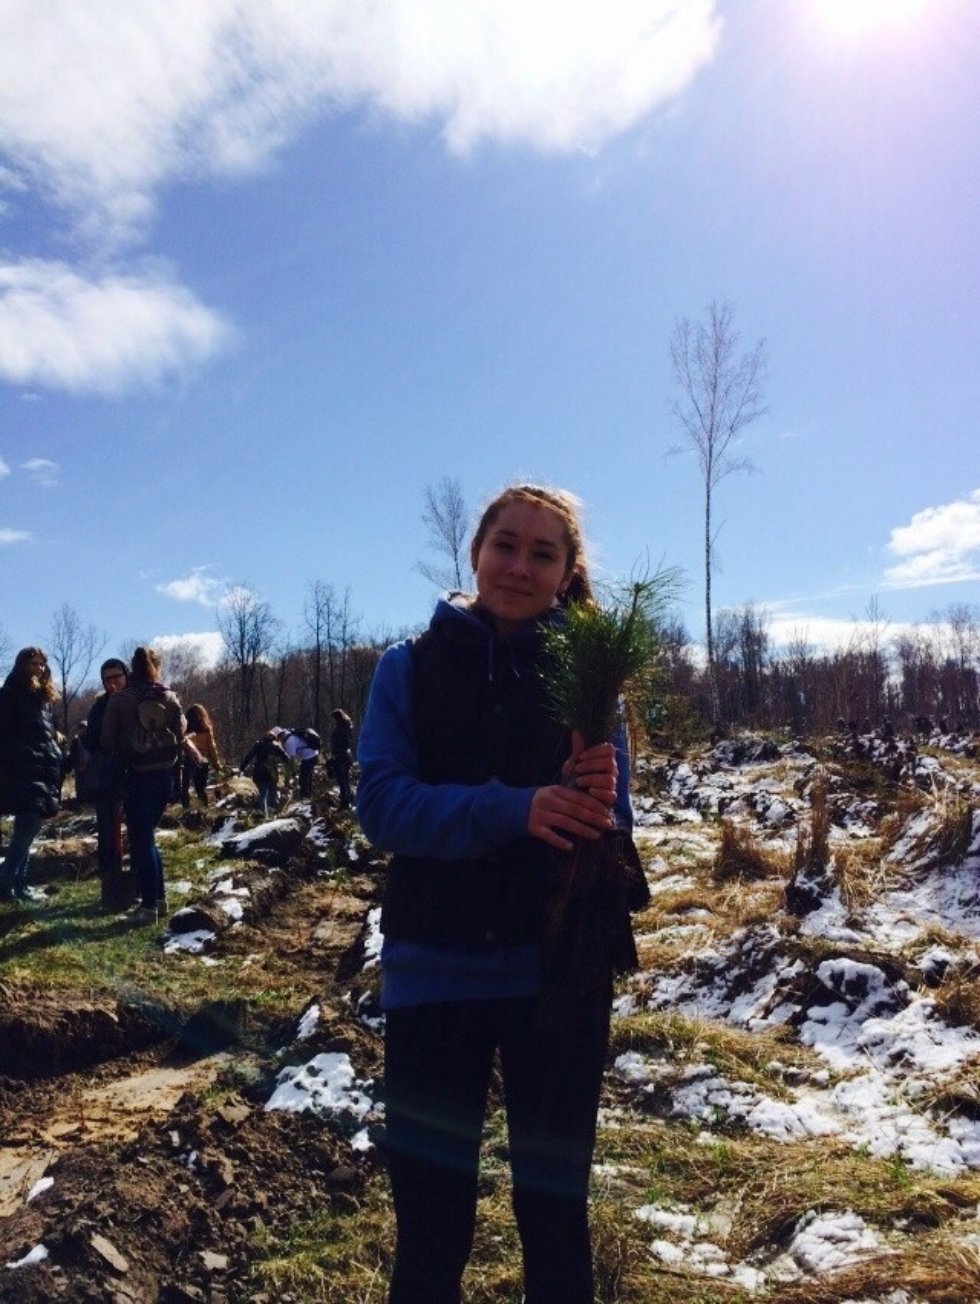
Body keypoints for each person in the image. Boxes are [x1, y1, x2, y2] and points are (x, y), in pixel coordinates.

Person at [357, 484, 643, 1304]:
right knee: (431, 1226)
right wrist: (516, 809)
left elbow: (614, 825)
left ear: (566, 574)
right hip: (433, 971)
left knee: (555, 1220)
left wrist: (597, 804)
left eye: (542, 554)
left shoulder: (592, 681)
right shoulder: (407, 667)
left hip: (556, 978)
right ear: (476, 553)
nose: (519, 566)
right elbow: (382, 805)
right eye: (505, 546)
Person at [101, 647, 184, 924]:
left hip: (137, 775)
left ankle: (148, 907)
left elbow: (106, 740)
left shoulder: (121, 699)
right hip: (165, 775)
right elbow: (181, 731)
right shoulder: (168, 695)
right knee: (149, 839)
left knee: (142, 842)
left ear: (131, 670)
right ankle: (159, 900)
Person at [0, 648, 63, 902]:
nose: (38, 668)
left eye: (41, 664)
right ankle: (5, 881)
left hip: (41, 769)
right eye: (32, 663)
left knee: (26, 828)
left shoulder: (42, 699)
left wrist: (55, 746)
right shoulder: (10, 694)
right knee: (29, 826)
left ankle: (19, 884)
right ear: (21, 665)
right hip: (21, 770)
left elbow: (42, 734)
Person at [84, 658, 132, 910]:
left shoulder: (136, 699)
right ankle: (110, 888)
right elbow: (91, 740)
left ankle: (138, 886)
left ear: (126, 676)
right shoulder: (99, 706)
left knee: (138, 833)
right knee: (107, 834)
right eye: (107, 679)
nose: (113, 683)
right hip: (107, 777)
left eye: (117, 677)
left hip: (135, 774)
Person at [239, 730, 290, 817]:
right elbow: (286, 759)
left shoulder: (258, 745)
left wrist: (242, 768)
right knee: (273, 796)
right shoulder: (276, 746)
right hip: (272, 774)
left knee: (261, 796)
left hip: (259, 773)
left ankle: (263, 816)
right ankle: (273, 815)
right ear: (274, 738)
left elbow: (249, 756)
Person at [181, 703, 221, 808]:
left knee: (185, 787)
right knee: (201, 788)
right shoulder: (206, 730)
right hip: (203, 760)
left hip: (188, 759)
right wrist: (216, 765)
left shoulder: (184, 731)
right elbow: (212, 748)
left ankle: (185, 809)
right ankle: (204, 808)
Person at [280, 726, 320, 800]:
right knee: (308, 776)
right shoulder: (292, 736)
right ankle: (308, 795)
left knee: (304, 778)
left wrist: (291, 774)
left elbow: (291, 760)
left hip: (308, 756)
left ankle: (305, 796)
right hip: (313, 754)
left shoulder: (289, 742)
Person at [329, 708, 354, 809]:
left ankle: (344, 803)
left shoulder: (339, 729)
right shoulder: (347, 727)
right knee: (346, 780)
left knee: (342, 781)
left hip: (340, 757)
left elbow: (338, 745)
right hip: (347, 756)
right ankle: (348, 800)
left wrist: (334, 756)